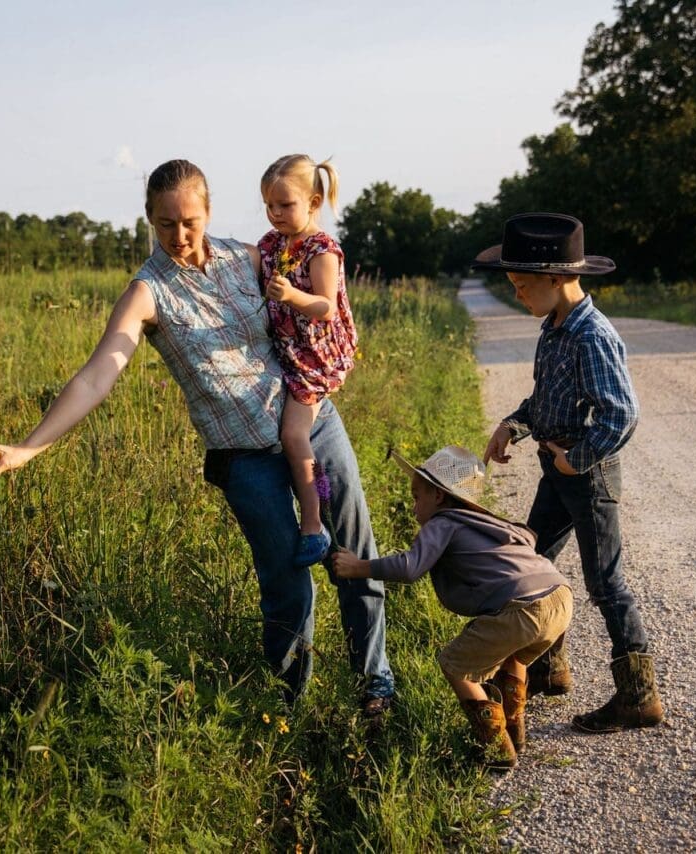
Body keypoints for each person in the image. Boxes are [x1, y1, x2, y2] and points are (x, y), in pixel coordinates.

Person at [0, 159, 395, 715]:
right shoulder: (147, 293)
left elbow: (322, 301)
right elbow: (99, 372)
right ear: (149, 220)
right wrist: (28, 448)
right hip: (244, 460)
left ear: (209, 210)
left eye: (190, 221)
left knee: (353, 553)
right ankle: (289, 709)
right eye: (166, 224)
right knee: (288, 583)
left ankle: (376, 685)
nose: (180, 235)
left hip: (313, 425)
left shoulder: (251, 257)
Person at [473, 212, 663, 732]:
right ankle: (550, 669)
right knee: (533, 561)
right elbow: (544, 400)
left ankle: (638, 696)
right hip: (557, 471)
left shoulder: (591, 335)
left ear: (556, 278)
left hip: (589, 475)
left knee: (606, 583)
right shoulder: (553, 329)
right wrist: (512, 426)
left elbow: (621, 413)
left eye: (521, 285)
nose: (517, 295)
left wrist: (575, 459)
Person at [330, 445, 572, 768]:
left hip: (523, 608)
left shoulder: (443, 523)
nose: (414, 506)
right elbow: (529, 538)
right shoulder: (491, 523)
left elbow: (409, 567)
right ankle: (514, 728)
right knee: (512, 654)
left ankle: (495, 749)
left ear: (439, 497)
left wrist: (359, 567)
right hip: (559, 597)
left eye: (417, 497)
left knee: (454, 665)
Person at [257, 154, 358, 567]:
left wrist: (291, 296)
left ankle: (314, 523)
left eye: (285, 205)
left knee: (295, 438)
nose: (275, 213)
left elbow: (325, 306)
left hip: (317, 357)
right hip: (288, 351)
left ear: (314, 202)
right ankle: (316, 511)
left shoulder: (322, 248)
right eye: (269, 205)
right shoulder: (273, 244)